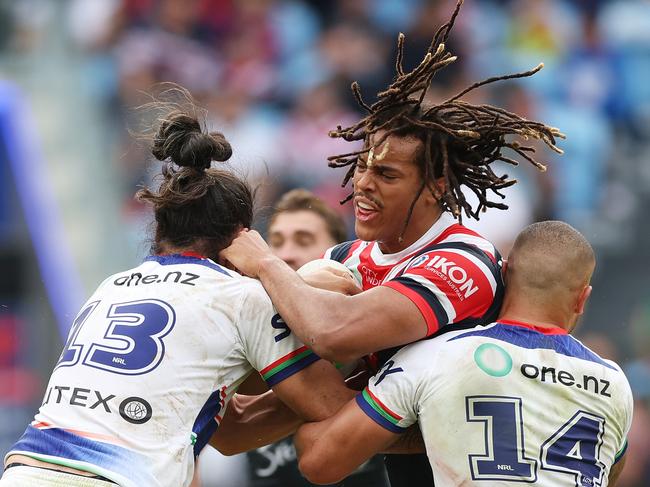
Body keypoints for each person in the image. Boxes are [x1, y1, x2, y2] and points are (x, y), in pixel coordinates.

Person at [220, 1, 564, 485]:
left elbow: (334, 334)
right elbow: (236, 430)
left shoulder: (464, 260)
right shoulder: (345, 259)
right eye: (361, 166)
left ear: (436, 186)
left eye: (386, 173)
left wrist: (265, 265)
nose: (362, 183)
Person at [0, 102, 355, 487]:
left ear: (160, 230)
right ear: (242, 238)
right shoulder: (240, 296)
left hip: (25, 469)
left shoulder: (109, 288)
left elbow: (232, 433)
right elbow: (328, 405)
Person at [294, 220, 634, 487]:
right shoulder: (616, 384)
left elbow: (320, 461)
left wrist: (416, 432)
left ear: (502, 275)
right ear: (582, 298)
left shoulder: (435, 355)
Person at [245, 188, 389, 487]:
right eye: (276, 242)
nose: (284, 254)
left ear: (338, 253)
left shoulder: (377, 342)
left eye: (304, 239)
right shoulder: (250, 338)